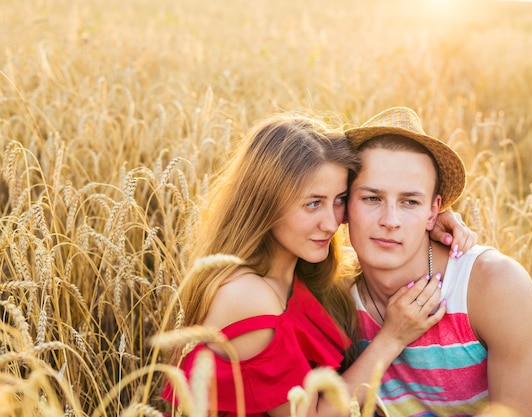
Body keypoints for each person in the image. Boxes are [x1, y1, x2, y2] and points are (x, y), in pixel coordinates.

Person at [160, 112, 475, 417]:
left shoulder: (295, 272)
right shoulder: (247, 294)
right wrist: (392, 337)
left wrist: (424, 221)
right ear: (265, 202)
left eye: (338, 200)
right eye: (312, 203)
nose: (330, 223)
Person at [345, 107, 532, 417]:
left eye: (410, 202)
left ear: (433, 211)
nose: (390, 221)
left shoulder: (494, 287)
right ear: (343, 203)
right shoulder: (334, 294)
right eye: (371, 198)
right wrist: (390, 338)